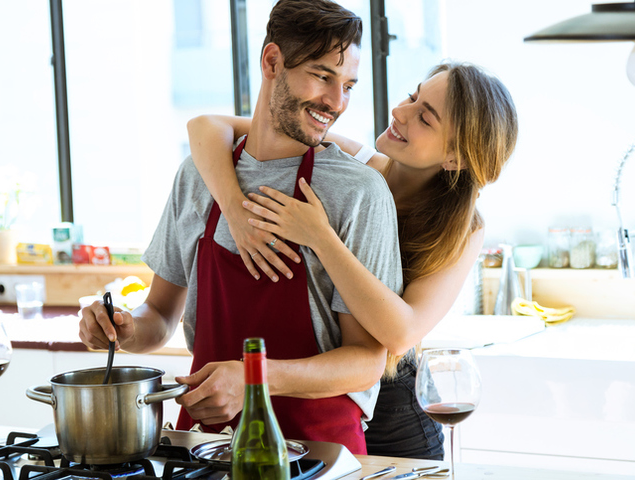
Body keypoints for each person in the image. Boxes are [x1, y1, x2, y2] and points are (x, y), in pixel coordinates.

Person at [78, 0, 403, 456]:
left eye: (347, 85)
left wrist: (253, 378)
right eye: (322, 75)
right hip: (205, 448)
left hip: (318, 453)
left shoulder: (358, 192)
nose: (337, 102)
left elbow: (366, 362)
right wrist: (124, 329)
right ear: (273, 61)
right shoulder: (199, 176)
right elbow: (160, 317)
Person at [185, 61, 519, 458]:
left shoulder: (463, 230)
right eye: (413, 97)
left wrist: (322, 238)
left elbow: (401, 333)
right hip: (315, 403)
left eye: (424, 118)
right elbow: (206, 127)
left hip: (395, 420)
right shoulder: (352, 162)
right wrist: (234, 209)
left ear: (454, 158)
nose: (400, 112)